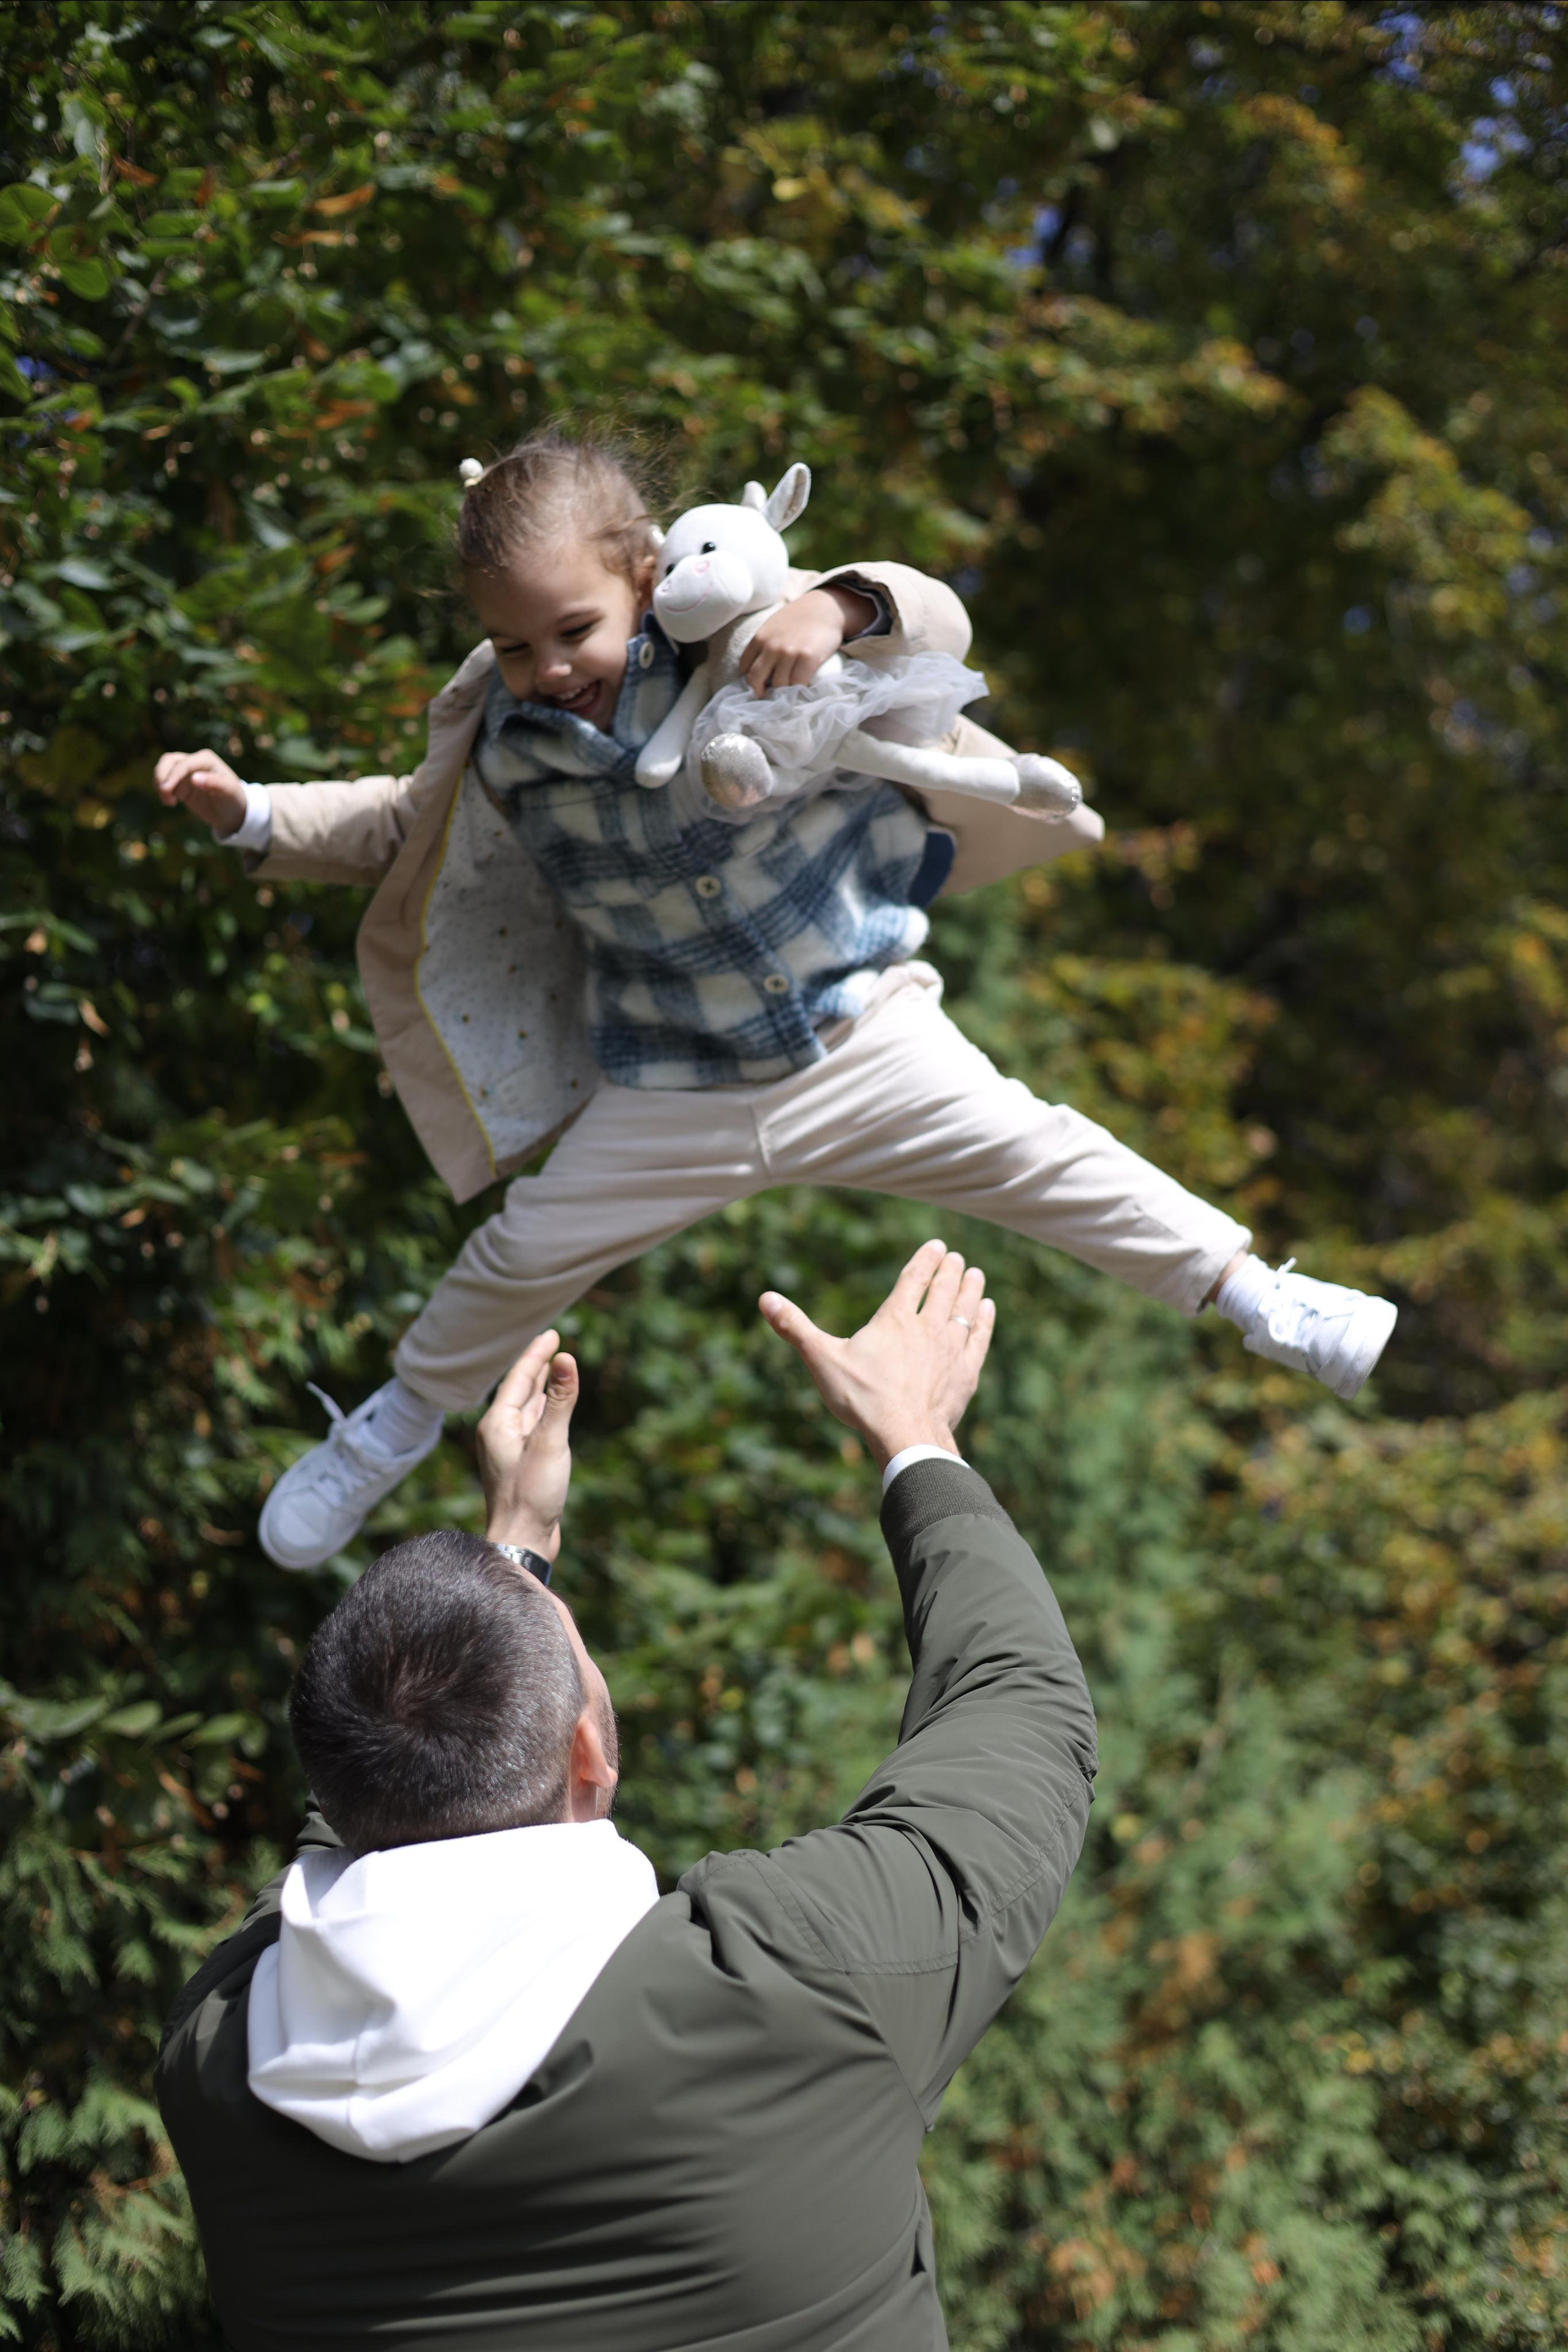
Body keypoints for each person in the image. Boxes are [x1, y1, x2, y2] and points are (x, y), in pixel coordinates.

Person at [152, 431, 1396, 1572]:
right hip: (670, 1083)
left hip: (858, 1032)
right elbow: (391, 822)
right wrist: (249, 810)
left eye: (572, 631)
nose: (548, 668)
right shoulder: (508, 741)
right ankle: (394, 1426)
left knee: (1046, 1152)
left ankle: (1258, 1298)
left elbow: (930, 620)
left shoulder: (744, 641)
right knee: (516, 1255)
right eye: (516, 645)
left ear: (646, 572)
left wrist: (833, 601)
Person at [157, 1239, 1098, 2350]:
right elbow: (1021, 1714)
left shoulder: (222, 2063)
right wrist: (916, 1438)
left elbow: (375, 1803)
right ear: (590, 1760)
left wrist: (512, 1558)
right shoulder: (788, 1987)